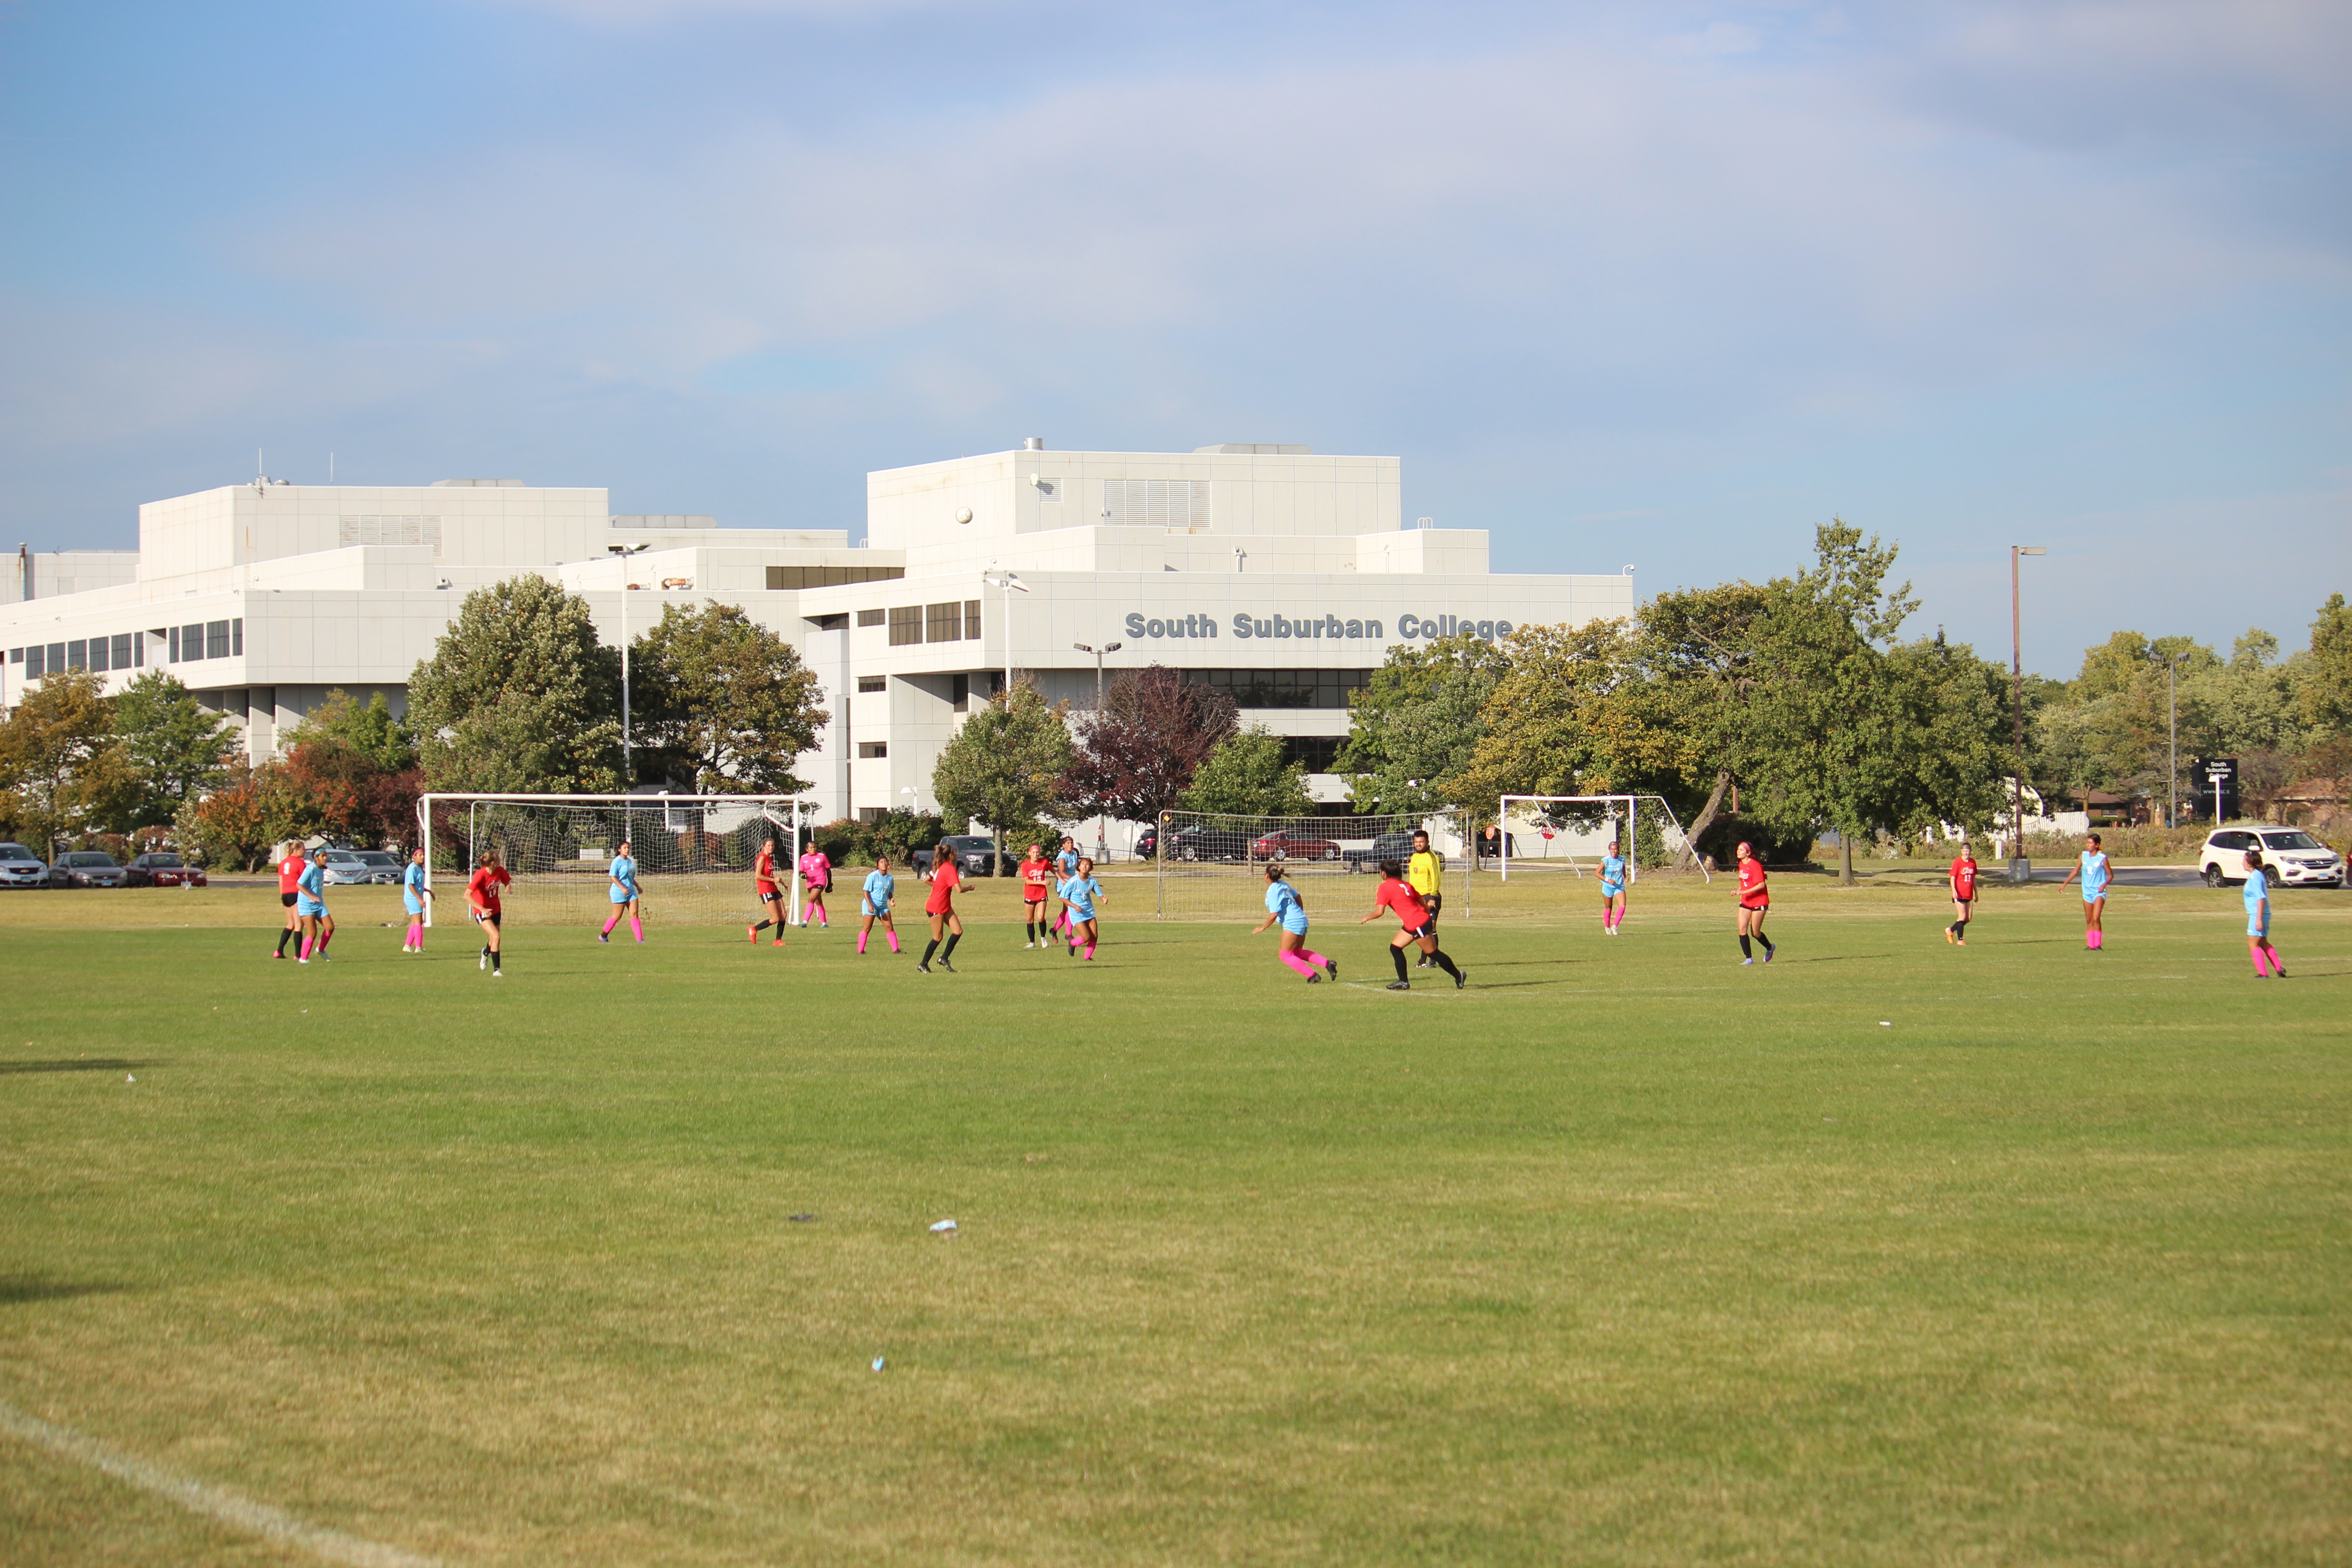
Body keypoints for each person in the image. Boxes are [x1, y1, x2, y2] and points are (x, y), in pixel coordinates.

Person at [1359, 858, 1465, 990]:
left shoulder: (1385, 888)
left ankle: (1458, 976)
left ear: (1384, 874)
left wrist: (1367, 917)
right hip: (1416, 921)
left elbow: (1380, 911)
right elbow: (1422, 902)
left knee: (1433, 953)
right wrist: (1426, 916)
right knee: (1395, 948)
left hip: (1417, 923)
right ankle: (1403, 982)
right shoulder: (1406, 885)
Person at [1250, 863, 1337, 983]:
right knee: (1297, 952)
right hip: (1301, 919)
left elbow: (1274, 913)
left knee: (1285, 955)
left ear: (1266, 876)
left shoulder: (1273, 891)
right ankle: (1328, 964)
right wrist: (1299, 912)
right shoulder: (1283, 885)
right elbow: (1298, 897)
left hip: (1293, 922)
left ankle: (1313, 976)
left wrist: (1263, 927)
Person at [2058, 832, 2110, 951]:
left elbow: (2110, 875)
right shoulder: (2084, 856)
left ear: (2097, 845)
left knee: (2096, 918)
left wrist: (2103, 885)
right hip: (2087, 892)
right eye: (2087, 843)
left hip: (2098, 892)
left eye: (2091, 843)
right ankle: (2091, 945)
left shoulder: (2103, 858)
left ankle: (2098, 944)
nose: (2088, 845)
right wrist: (2065, 884)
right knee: (2089, 920)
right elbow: (2075, 871)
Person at [918, 841, 964, 973]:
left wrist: (939, 887)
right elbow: (959, 890)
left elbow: (927, 880)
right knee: (938, 937)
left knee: (958, 931)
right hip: (936, 906)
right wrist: (970, 888)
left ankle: (944, 958)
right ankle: (923, 964)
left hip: (945, 905)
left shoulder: (940, 867)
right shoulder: (949, 868)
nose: (957, 854)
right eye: (955, 852)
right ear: (951, 855)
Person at [2243, 846, 2286, 978]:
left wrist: (2259, 919)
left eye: (2244, 861)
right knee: (2262, 943)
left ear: (2250, 863)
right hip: (2260, 914)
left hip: (2258, 914)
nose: (2242, 863)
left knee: (2252, 942)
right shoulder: (2256, 875)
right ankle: (2279, 969)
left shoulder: (2256, 877)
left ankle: (2263, 973)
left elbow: (2261, 898)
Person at [468, 848, 511, 976]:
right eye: (498, 858)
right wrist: (482, 909)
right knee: (496, 937)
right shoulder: (480, 875)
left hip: (496, 909)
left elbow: (507, 882)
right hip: (482, 911)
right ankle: (496, 970)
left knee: (495, 939)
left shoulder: (500, 871)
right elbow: (467, 896)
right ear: (493, 862)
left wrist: (508, 887)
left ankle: (486, 952)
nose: (500, 860)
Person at [1406, 828, 1444, 967]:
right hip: (1417, 898)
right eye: (1416, 842)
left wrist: (1433, 896)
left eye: (1421, 842)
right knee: (1421, 928)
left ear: (1427, 842)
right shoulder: (1415, 857)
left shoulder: (1431, 857)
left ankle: (1431, 961)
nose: (1419, 844)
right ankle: (1424, 961)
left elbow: (1437, 877)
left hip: (1429, 897)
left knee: (1431, 928)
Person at [1735, 840, 1774, 965]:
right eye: (1738, 849)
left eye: (1742, 850)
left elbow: (1761, 885)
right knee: (1742, 929)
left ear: (1749, 853)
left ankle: (1770, 948)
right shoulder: (1741, 865)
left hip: (1759, 901)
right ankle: (1749, 959)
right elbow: (1745, 883)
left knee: (1755, 933)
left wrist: (1744, 892)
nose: (1739, 851)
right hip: (1746, 901)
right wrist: (1739, 891)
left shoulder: (1755, 865)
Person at [1059, 856, 1106, 960]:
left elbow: (1099, 894)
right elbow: (1063, 898)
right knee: (1086, 937)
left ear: (1090, 868)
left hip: (1089, 912)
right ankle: (1072, 943)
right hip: (1077, 914)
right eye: (1083, 864)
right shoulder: (1073, 881)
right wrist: (1075, 906)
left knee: (1094, 936)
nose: (1085, 866)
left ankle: (1087, 958)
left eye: (1087, 865)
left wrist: (1103, 899)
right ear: (1079, 867)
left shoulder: (1092, 881)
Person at [600, 838, 643, 944]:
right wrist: (622, 888)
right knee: (617, 916)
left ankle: (640, 940)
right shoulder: (617, 862)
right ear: (620, 850)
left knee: (634, 914)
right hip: (618, 892)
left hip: (631, 891)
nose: (627, 850)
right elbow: (613, 876)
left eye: (628, 848)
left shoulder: (629, 861)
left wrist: (637, 886)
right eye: (625, 848)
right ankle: (603, 936)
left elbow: (630, 877)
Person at [748, 835, 788, 947]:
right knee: (776, 918)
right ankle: (754, 929)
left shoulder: (770, 858)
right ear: (764, 847)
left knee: (783, 915)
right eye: (769, 846)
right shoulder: (762, 858)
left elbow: (769, 874)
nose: (771, 847)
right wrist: (773, 879)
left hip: (773, 888)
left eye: (772, 845)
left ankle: (778, 940)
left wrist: (780, 882)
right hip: (765, 890)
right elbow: (758, 876)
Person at [294, 848, 333, 963]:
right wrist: (311, 896)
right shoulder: (310, 869)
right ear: (316, 858)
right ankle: (303, 958)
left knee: (330, 927)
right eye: (322, 856)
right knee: (312, 933)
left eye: (326, 856)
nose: (325, 858)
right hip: (307, 905)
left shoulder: (321, 869)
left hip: (319, 904)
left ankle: (320, 949)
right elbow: (299, 885)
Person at [858, 855, 902, 956]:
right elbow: (866, 891)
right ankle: (860, 951)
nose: (884, 864)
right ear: (878, 865)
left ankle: (896, 950)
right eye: (881, 862)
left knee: (889, 927)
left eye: (885, 862)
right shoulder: (873, 876)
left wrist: (892, 899)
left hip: (883, 906)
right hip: (872, 905)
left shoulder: (890, 878)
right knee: (867, 928)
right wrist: (870, 905)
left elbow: (890, 892)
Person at [272, 843, 306, 959]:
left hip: (285, 894)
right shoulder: (300, 863)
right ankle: (298, 955)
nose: (304, 851)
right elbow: (304, 880)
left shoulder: (284, 862)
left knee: (290, 924)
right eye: (303, 849)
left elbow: (281, 881)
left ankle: (279, 951)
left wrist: (282, 897)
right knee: (299, 925)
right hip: (296, 894)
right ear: (296, 850)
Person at [1018, 842, 1054, 948]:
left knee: (1041, 917)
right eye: (1034, 852)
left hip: (1041, 893)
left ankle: (1043, 938)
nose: (1036, 854)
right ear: (1030, 853)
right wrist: (1042, 882)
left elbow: (1053, 870)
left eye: (1038, 852)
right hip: (1029, 894)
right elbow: (1028, 881)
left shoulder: (1044, 862)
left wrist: (1061, 879)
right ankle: (1032, 942)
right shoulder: (1025, 865)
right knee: (1030, 919)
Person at [1945, 839, 1979, 946]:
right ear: (1961, 852)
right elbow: (1953, 878)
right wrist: (1954, 891)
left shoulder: (1973, 862)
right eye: (1964, 851)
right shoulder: (1958, 862)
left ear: (1970, 852)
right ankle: (1960, 940)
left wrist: (1976, 893)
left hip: (1969, 894)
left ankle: (1950, 930)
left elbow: (1973, 879)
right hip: (1959, 894)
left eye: (1968, 851)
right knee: (1962, 916)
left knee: (1968, 919)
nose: (1966, 853)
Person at [1052, 835, 1083, 943]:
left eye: (1072, 843)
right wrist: (1074, 879)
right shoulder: (1062, 856)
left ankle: (1054, 930)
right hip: (1063, 885)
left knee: (1066, 910)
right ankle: (1069, 934)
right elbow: (1061, 872)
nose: (1070, 845)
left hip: (1072, 884)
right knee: (1070, 907)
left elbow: (1077, 868)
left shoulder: (1074, 854)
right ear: (1063, 845)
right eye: (1068, 843)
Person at [401, 847, 431, 953]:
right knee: (419, 922)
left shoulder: (419, 868)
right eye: (420, 855)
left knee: (415, 923)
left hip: (416, 897)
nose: (423, 857)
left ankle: (407, 946)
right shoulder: (412, 868)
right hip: (412, 898)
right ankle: (418, 947)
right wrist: (419, 899)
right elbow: (410, 885)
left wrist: (428, 891)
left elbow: (418, 885)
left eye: (424, 855)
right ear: (414, 857)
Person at [798, 840, 833, 929]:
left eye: (815, 847)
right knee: (818, 902)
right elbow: (801, 871)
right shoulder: (803, 858)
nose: (813, 849)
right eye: (811, 848)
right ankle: (824, 922)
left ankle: (805, 921)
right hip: (810, 883)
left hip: (820, 881)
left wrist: (829, 884)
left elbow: (828, 871)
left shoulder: (822, 857)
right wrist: (803, 875)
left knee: (811, 899)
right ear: (807, 849)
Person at [1597, 837, 1628, 936]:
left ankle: (1615, 926)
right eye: (1612, 849)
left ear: (1618, 850)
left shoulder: (1622, 859)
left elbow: (1622, 868)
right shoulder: (1606, 860)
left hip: (1619, 886)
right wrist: (1608, 880)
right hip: (1608, 887)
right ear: (1609, 850)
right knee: (1609, 907)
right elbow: (1597, 873)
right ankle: (1607, 927)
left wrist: (1625, 876)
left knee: (1622, 906)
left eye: (1615, 849)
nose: (1613, 851)